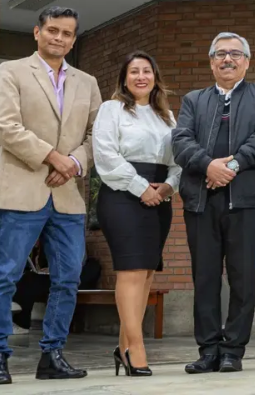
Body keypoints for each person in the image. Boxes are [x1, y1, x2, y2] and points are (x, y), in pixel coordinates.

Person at [0, 6, 101, 385]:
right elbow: (3, 126)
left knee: (68, 278)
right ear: (37, 32)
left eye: (67, 33)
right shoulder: (12, 71)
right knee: (6, 276)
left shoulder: (87, 82)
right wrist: (52, 157)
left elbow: (96, 135)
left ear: (73, 39)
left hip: (67, 195)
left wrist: (73, 163)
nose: (59, 38)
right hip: (22, 189)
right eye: (53, 30)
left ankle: (52, 355)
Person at [172, 32, 255, 374]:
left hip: (246, 201)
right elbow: (181, 141)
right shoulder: (193, 100)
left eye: (235, 54)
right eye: (220, 54)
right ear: (211, 62)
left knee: (242, 277)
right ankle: (208, 350)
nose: (228, 59)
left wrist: (231, 166)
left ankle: (233, 349)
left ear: (246, 62)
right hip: (201, 201)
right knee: (205, 277)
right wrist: (209, 166)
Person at [94, 51, 181, 377]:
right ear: (124, 78)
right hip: (122, 196)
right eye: (134, 71)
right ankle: (137, 348)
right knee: (130, 271)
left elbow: (178, 161)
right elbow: (106, 156)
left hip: (159, 198)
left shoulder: (166, 116)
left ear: (155, 77)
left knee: (146, 275)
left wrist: (169, 187)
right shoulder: (111, 109)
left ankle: (123, 348)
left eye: (147, 71)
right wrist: (140, 187)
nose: (141, 77)